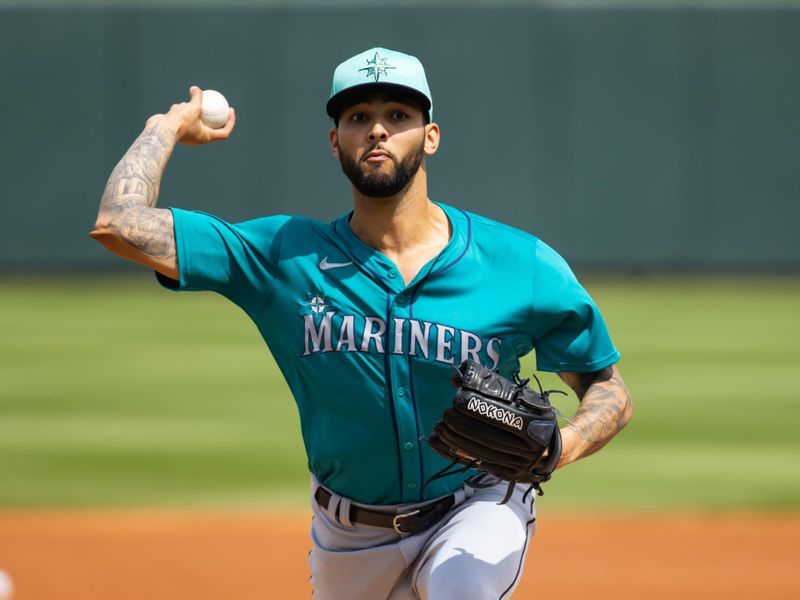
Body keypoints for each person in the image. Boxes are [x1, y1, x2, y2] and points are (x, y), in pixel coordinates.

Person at [91, 47, 633, 599]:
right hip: (347, 538)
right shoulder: (282, 255)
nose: (377, 130)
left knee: (461, 588)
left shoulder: (520, 264)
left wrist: (558, 447)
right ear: (335, 142)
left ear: (430, 136)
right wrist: (164, 128)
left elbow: (607, 389)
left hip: (476, 505)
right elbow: (119, 225)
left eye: (398, 116)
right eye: (357, 118)